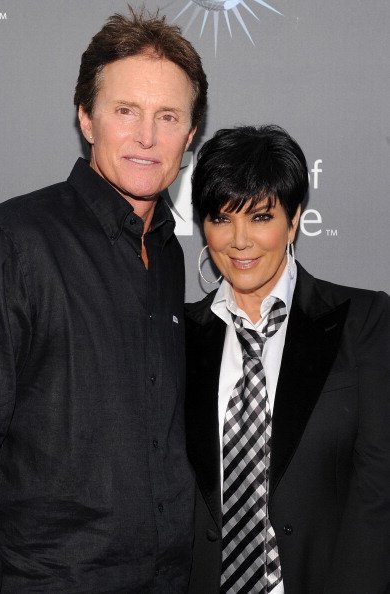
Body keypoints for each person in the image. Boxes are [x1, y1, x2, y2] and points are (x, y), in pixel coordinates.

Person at [0, 7, 207, 593]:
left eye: (167, 116)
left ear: (190, 135)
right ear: (86, 119)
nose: (147, 137)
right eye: (126, 111)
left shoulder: (170, 256)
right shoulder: (13, 243)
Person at [185, 125, 390, 593]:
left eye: (260, 217)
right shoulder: (177, 336)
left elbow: (379, 488)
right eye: (221, 218)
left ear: (294, 218)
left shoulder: (364, 322)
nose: (239, 241)